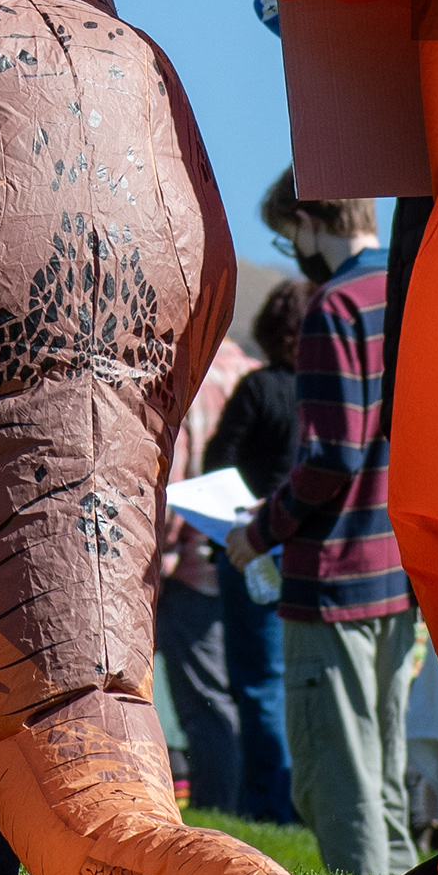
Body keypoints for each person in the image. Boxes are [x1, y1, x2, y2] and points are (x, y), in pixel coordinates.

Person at [218, 175, 418, 875]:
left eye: (285, 235)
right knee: (386, 773)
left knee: (337, 781)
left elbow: (332, 453)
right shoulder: (403, 284)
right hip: (397, 568)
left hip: (331, 578)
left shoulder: (333, 307)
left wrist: (258, 532)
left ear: (309, 222)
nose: (291, 250)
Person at [202, 275, 307, 824]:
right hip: (310, 550)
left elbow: (219, 460)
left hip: (253, 547)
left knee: (258, 680)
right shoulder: (327, 393)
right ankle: (297, 799)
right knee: (299, 680)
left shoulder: (259, 390)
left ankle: (268, 807)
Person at [155, 313, 256, 809]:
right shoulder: (244, 368)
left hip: (190, 563)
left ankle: (219, 809)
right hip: (244, 555)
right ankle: (245, 803)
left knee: (203, 703)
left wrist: (159, 556)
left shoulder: (185, 373)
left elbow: (171, 478)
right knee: (237, 692)